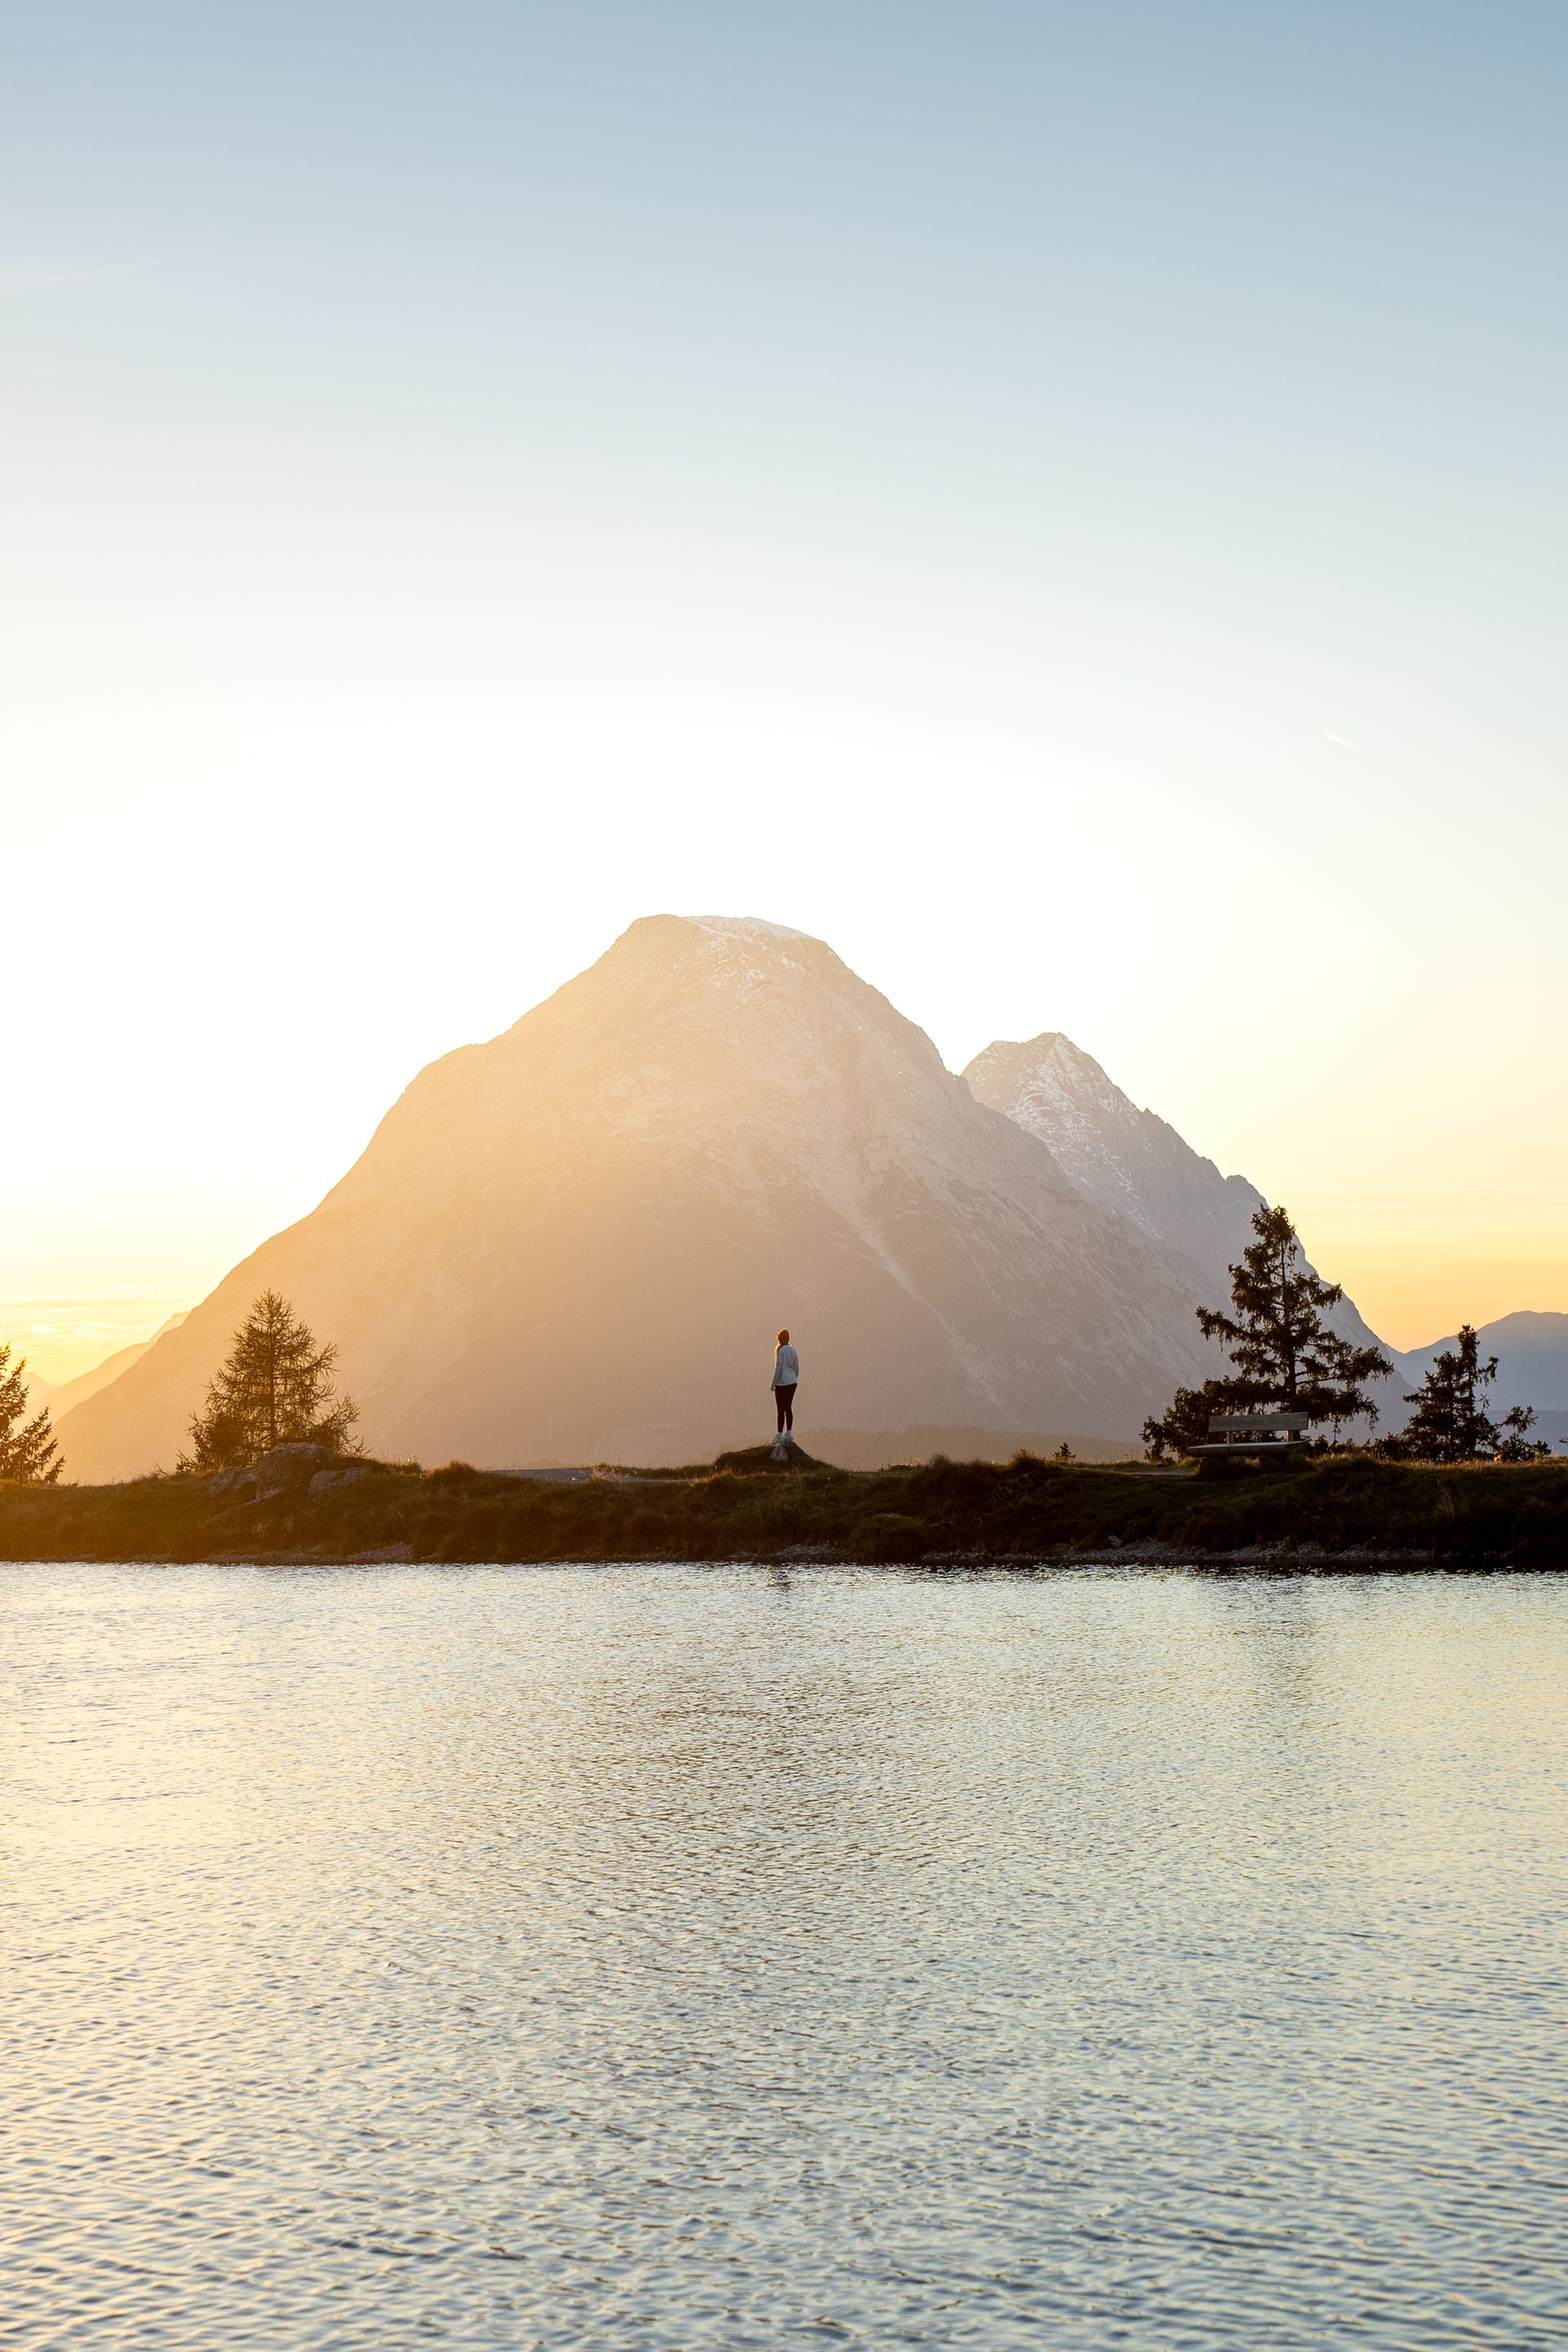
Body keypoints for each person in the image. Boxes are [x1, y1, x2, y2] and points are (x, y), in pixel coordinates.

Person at [771, 1328, 800, 1442]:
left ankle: (779, 1435)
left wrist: (773, 1384)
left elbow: (778, 1369)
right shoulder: (793, 1350)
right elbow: (797, 1368)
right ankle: (789, 1433)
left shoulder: (780, 1351)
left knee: (780, 1409)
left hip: (781, 1384)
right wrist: (793, 1378)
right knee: (788, 1408)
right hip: (792, 1382)